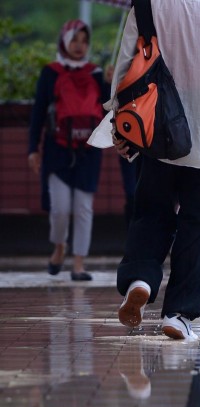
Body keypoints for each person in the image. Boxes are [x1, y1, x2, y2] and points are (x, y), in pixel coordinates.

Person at [95, 0, 200, 340]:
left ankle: (140, 279)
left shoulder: (145, 9)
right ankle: (179, 315)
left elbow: (125, 67)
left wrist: (117, 122)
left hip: (157, 134)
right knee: (196, 226)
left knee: (151, 213)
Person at [28, 19, 113, 281]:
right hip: (57, 150)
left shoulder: (96, 73)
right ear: (65, 41)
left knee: (84, 207)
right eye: (75, 40)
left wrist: (110, 82)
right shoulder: (50, 72)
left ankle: (78, 263)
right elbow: (38, 113)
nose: (80, 46)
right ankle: (60, 245)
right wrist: (33, 149)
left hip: (89, 150)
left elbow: (110, 108)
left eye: (84, 41)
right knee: (61, 209)